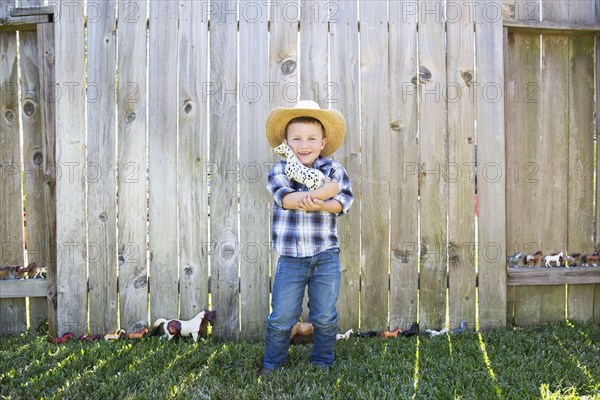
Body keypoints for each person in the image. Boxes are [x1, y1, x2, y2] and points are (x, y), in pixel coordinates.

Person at [260, 100, 354, 376]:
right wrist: (320, 194)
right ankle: (272, 361)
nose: (304, 144)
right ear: (286, 143)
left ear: (323, 142)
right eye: (297, 138)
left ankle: (322, 360)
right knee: (282, 316)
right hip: (291, 258)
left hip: (326, 255)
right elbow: (285, 198)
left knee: (324, 315)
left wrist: (323, 201)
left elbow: (342, 200)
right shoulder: (280, 170)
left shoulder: (333, 170)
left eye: (311, 138)